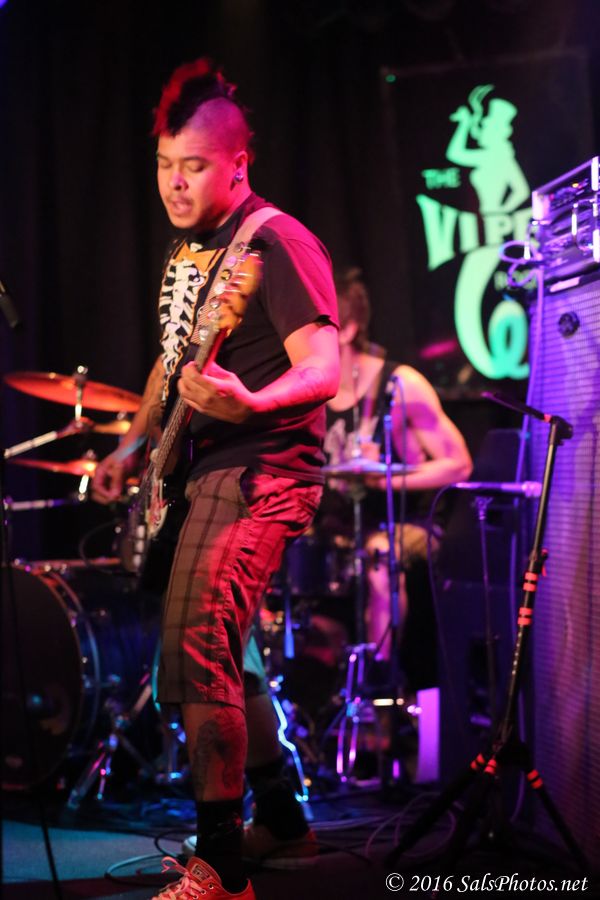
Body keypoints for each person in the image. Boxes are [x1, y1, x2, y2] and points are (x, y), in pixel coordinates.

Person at [92, 59, 339, 900]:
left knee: (198, 647)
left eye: (192, 166)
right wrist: (133, 448)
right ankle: (286, 823)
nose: (174, 182)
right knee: (233, 658)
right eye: (165, 164)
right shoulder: (192, 249)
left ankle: (221, 870)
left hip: (260, 469)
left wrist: (251, 401)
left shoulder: (275, 240)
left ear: (238, 164)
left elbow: (325, 367)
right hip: (204, 472)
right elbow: (172, 366)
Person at [320, 268, 472, 685]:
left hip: (409, 522)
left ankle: (379, 682)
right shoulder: (312, 390)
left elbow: (458, 465)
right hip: (342, 524)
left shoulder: (400, 384)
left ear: (348, 330)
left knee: (379, 555)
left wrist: (380, 479)